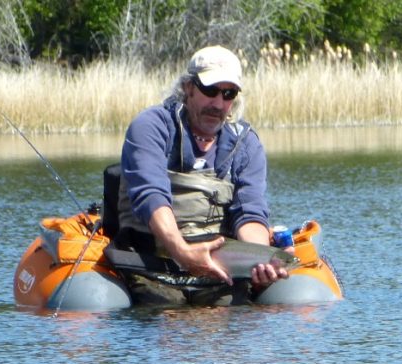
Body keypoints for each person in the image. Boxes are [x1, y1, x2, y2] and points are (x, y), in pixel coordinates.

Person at [115, 45, 291, 304]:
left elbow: (250, 211)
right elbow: (151, 195)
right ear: (188, 88)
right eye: (210, 91)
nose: (218, 103)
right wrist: (183, 252)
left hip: (218, 273)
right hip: (152, 264)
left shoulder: (247, 144)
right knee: (167, 311)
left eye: (228, 93)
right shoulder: (151, 126)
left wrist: (262, 257)